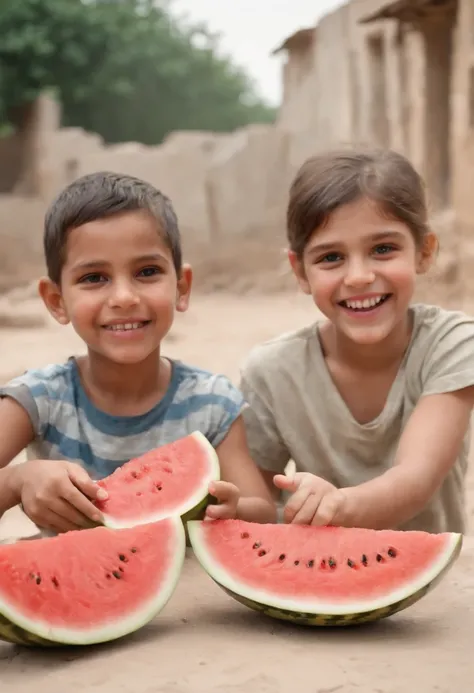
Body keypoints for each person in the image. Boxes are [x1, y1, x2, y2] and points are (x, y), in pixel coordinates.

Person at [0, 171, 275, 535]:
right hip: (65, 582)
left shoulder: (212, 403)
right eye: (94, 278)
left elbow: (262, 509)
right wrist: (18, 480)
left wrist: (231, 506)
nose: (124, 298)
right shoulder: (37, 399)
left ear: (181, 288)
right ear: (56, 301)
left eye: (147, 272)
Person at [239, 147, 474, 534]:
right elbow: (259, 507)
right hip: (315, 576)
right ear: (300, 271)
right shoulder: (270, 373)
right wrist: (230, 506)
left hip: (431, 587)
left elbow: (416, 479)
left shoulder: (452, 346)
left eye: (383, 249)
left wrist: (335, 505)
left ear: (425, 252)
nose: (359, 276)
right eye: (331, 257)